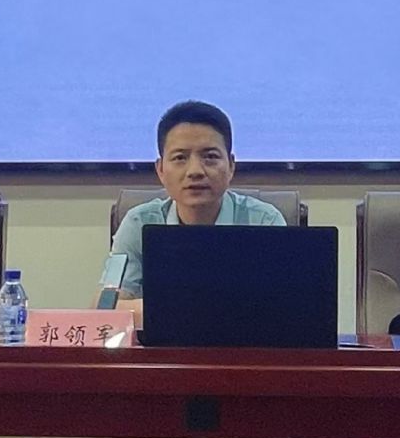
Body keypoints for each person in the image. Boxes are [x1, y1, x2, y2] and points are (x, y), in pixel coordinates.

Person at [109, 100, 286, 323]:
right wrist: (202, 307)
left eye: (210, 157)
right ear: (160, 169)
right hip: (162, 345)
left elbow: (284, 308)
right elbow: (107, 306)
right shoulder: (138, 223)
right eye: (180, 158)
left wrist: (172, 308)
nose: (195, 171)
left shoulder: (264, 221)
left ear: (231, 166)